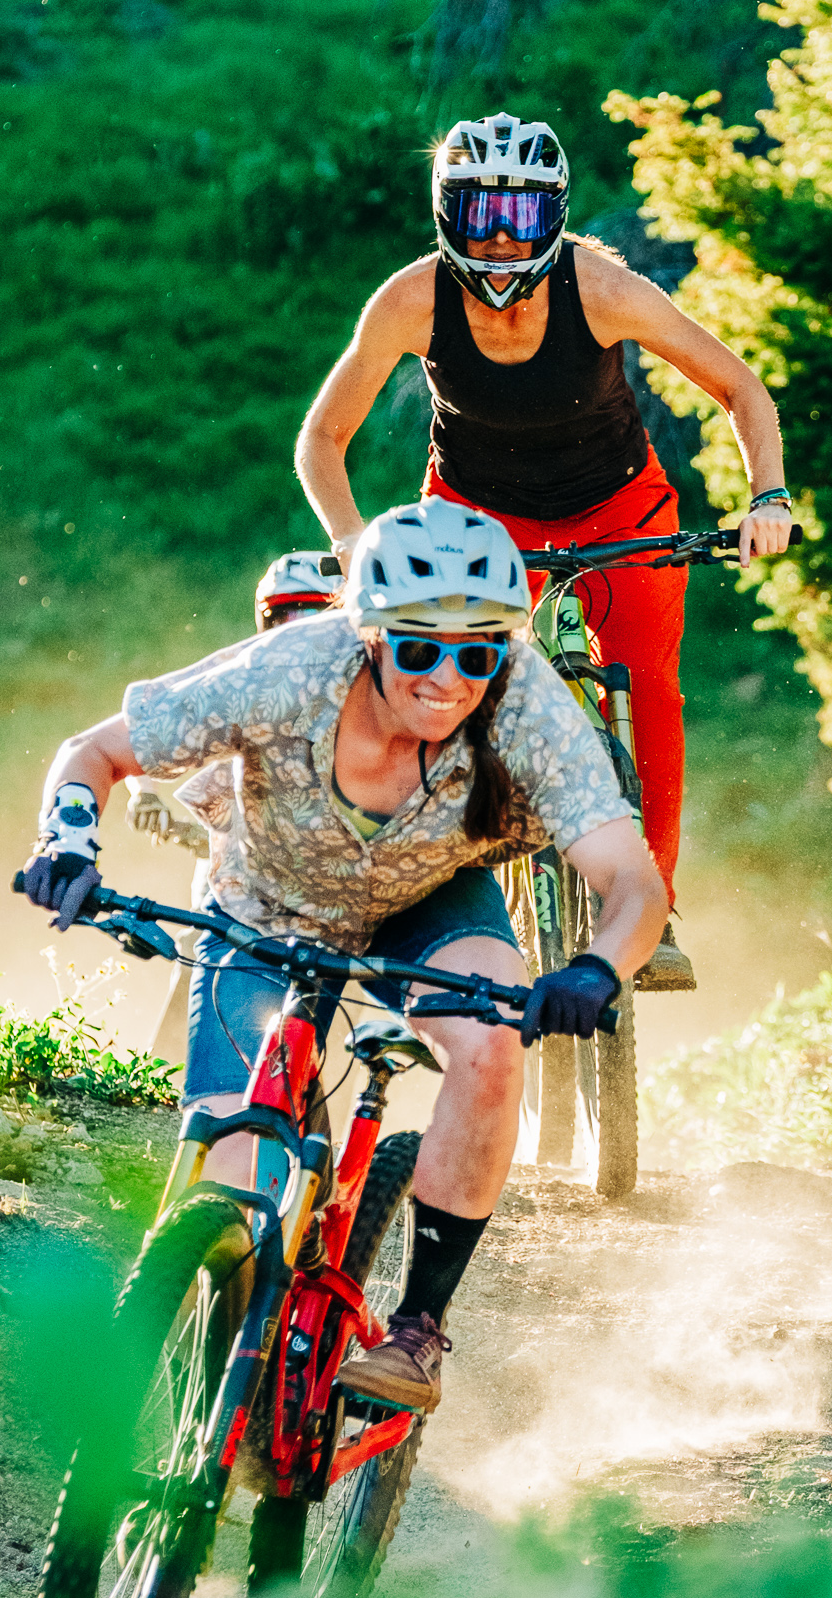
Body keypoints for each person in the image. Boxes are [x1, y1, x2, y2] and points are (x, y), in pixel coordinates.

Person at [20, 499, 667, 1412]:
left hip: (429, 894)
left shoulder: (528, 708)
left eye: (478, 653)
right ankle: (219, 1379)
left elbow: (632, 884)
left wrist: (595, 969)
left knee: (489, 1048)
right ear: (367, 635)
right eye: (418, 649)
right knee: (237, 1168)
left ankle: (415, 1333)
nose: (448, 679)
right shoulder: (289, 670)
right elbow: (95, 752)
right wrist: (68, 843)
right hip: (266, 900)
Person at [294, 110, 798, 991]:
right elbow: (322, 440)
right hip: (473, 519)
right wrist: (351, 543)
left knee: (648, 689)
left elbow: (740, 389)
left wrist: (768, 496)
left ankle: (650, 909)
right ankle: (441, 890)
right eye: (480, 215)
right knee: (444, 688)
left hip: (620, 511)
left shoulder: (600, 288)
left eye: (520, 218)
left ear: (554, 217)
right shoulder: (410, 301)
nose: (497, 241)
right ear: (447, 213)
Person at [124, 551, 350, 1063]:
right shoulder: (247, 675)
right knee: (204, 963)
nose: (299, 632)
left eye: (315, 616)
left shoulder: (373, 683)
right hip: (242, 870)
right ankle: (159, 1085)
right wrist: (143, 793)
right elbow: (140, 728)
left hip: (338, 886)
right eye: (285, 617)